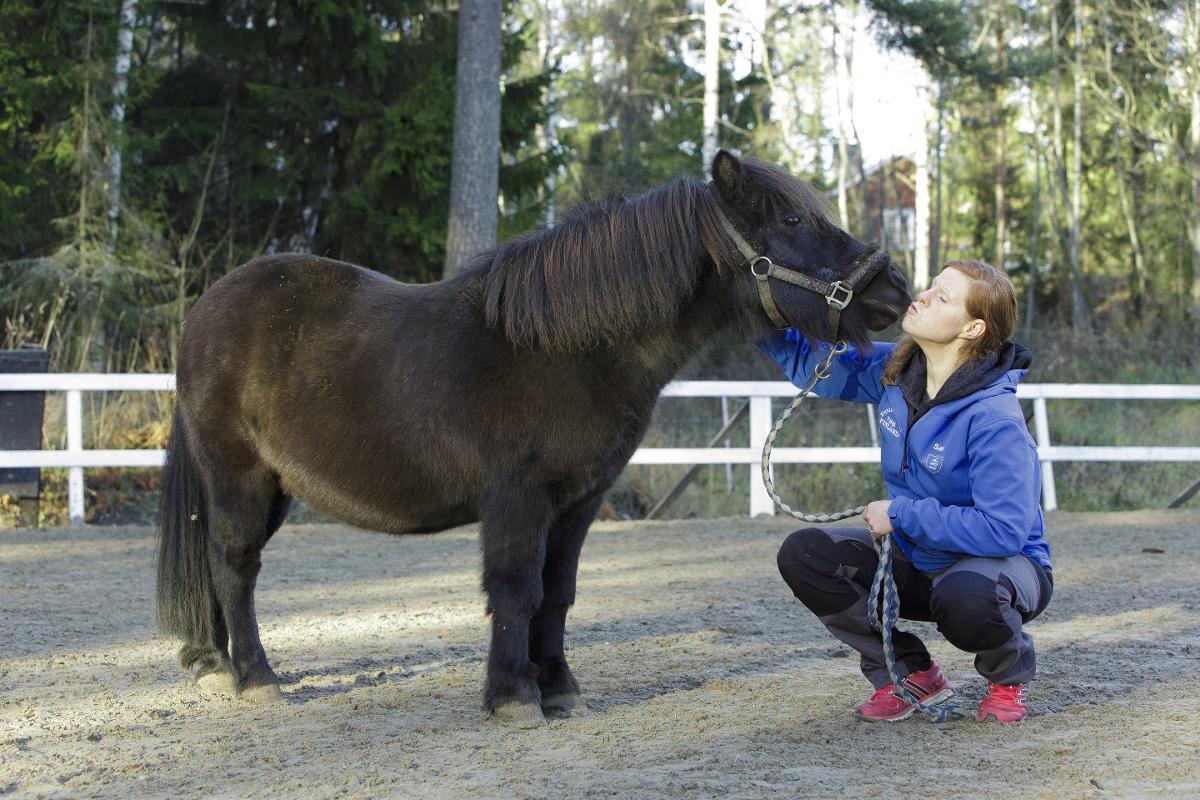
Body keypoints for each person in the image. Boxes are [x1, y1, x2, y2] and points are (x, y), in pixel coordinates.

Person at [760, 259, 1052, 724]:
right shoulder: (894, 370)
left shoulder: (995, 418)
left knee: (966, 598)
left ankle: (1006, 678)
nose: (922, 297)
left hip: (1001, 569)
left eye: (943, 297)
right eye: (930, 287)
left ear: (973, 327)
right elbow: (811, 364)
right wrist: (757, 314)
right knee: (806, 553)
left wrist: (902, 514)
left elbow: (1005, 531)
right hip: (919, 558)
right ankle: (912, 673)